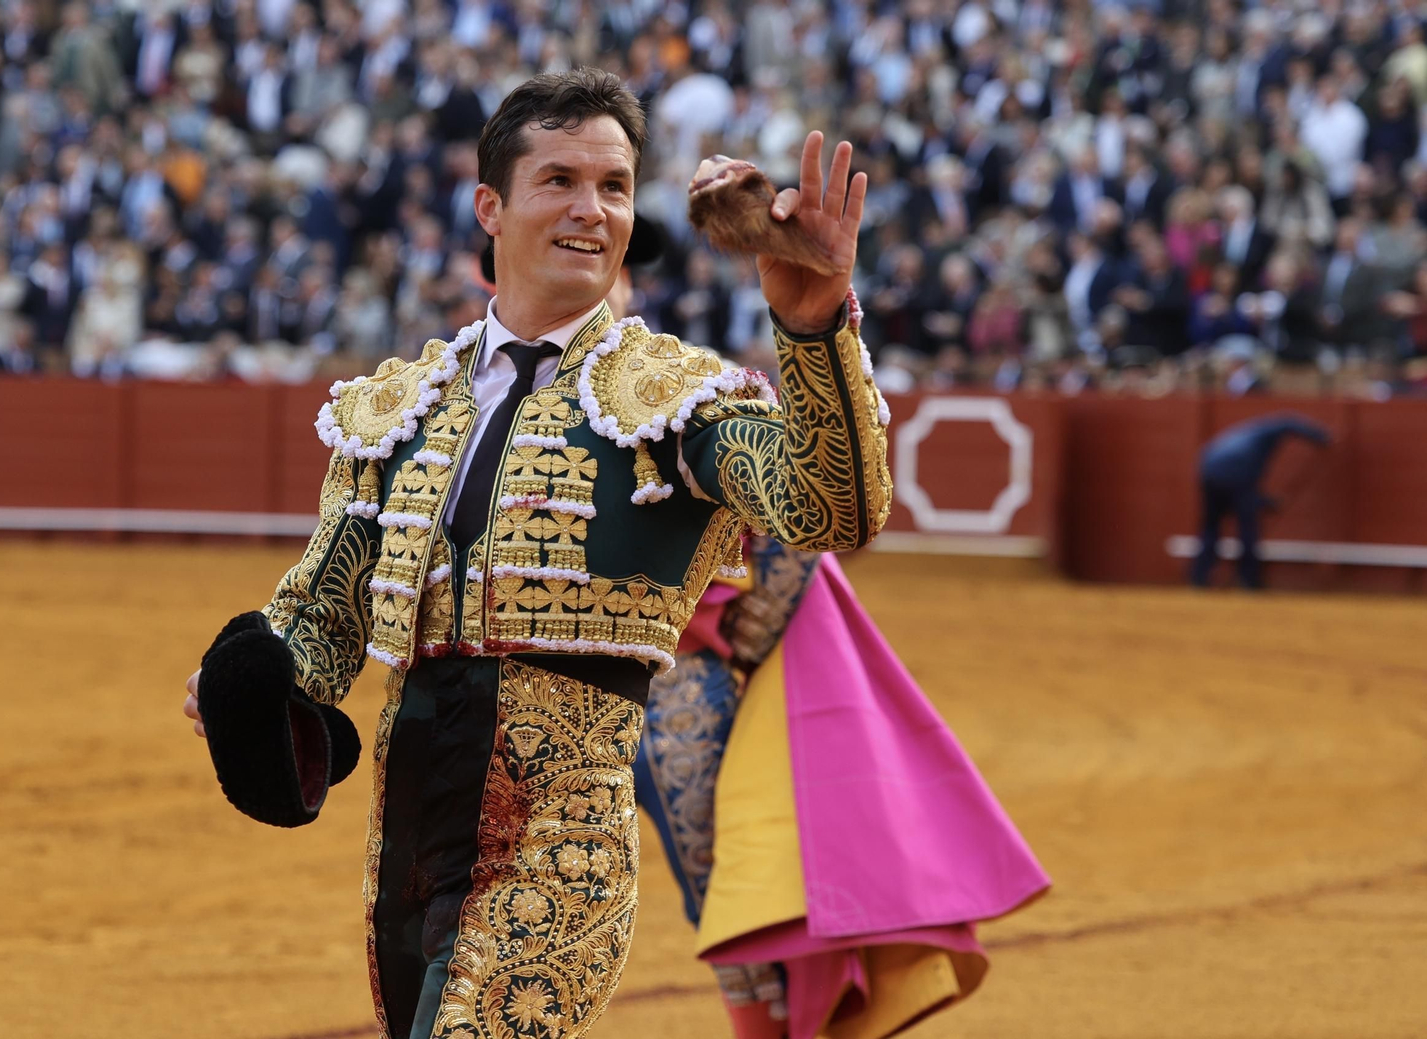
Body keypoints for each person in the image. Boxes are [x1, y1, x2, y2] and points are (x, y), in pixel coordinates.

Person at [182, 68, 892, 1039]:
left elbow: (829, 507)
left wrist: (812, 330)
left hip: (563, 837)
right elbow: (324, 610)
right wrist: (256, 676)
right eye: (560, 180)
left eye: (613, 186)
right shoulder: (402, 406)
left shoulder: (672, 397)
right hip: (409, 838)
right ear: (491, 207)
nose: (592, 209)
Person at [635, 536, 1049, 1039]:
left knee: (732, 903)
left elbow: (803, 523)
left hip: (682, 688)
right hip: (611, 681)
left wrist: (743, 642)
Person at [1191, 414, 1332, 589]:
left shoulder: (1239, 436)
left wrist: (1264, 502)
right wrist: (1320, 437)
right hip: (1236, 471)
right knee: (1247, 527)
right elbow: (1288, 421)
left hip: (1208, 471)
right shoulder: (1265, 432)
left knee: (1211, 526)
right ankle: (1249, 580)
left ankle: (1199, 577)